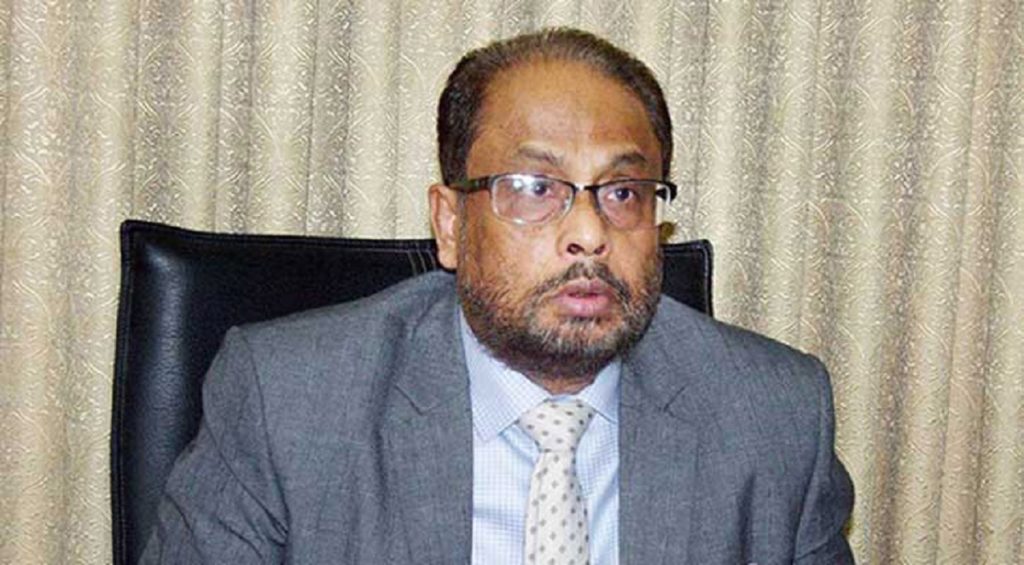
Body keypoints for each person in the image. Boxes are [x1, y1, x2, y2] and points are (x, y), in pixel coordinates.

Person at [141, 27, 854, 564]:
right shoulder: (287, 402)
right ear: (451, 225)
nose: (589, 233)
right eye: (534, 188)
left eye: (623, 192)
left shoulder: (777, 417)